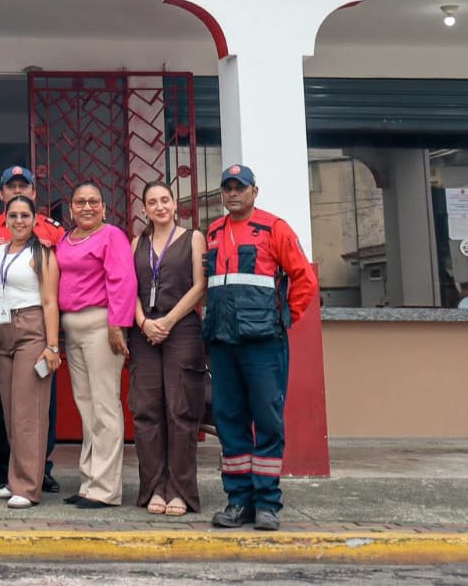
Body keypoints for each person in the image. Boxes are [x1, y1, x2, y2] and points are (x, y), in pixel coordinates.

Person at [205, 164, 318, 532]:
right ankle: (239, 501)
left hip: (263, 344)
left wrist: (283, 320)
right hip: (223, 342)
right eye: (227, 188)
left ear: (254, 191)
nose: (233, 193)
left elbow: (304, 279)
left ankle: (267, 504)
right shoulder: (213, 231)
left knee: (267, 421)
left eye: (240, 187)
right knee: (229, 420)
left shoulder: (274, 228)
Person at [0, 164, 63, 498]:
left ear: (35, 219)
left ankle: (28, 486)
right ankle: (14, 479)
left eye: (25, 216)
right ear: (5, 219)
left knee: (29, 413)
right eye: (14, 216)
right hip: (2, 331)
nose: (19, 221)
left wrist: (52, 346)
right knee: (10, 412)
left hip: (31, 330)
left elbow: (50, 302)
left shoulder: (43, 253)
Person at [55, 182, 138, 509]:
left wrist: (117, 324)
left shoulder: (111, 236)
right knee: (86, 407)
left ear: (103, 208)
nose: (87, 207)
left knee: (105, 407)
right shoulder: (66, 239)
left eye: (93, 202)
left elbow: (123, 280)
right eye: (80, 202)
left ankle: (106, 489)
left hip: (101, 325)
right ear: (71, 208)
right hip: (72, 328)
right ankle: (89, 482)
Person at [130, 181, 207, 517]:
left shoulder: (193, 238)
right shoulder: (137, 243)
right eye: (152, 202)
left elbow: (200, 286)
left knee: (180, 410)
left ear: (175, 204)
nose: (159, 206)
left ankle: (180, 490)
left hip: (182, 330)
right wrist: (143, 322)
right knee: (147, 411)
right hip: (144, 333)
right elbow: (129, 287)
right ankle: (153, 488)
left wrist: (168, 321)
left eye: (165, 200)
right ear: (144, 209)